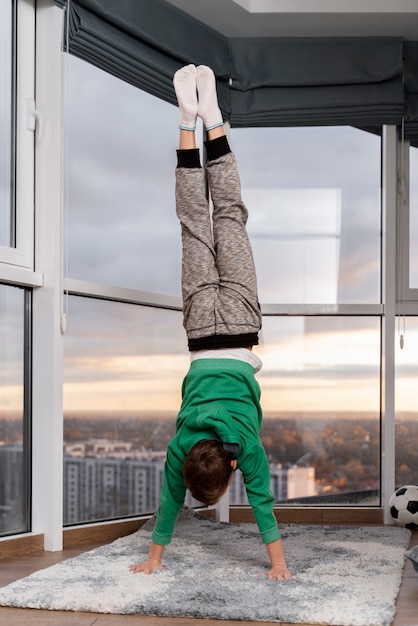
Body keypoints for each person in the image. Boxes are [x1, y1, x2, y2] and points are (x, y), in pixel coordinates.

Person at [129, 64, 291, 582]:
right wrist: (153, 556)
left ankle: (214, 121)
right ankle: (184, 120)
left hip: (241, 323)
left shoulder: (246, 445)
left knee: (228, 217)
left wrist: (279, 565)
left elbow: (264, 506)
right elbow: (169, 501)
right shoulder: (180, 448)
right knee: (195, 223)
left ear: (232, 469)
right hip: (201, 329)